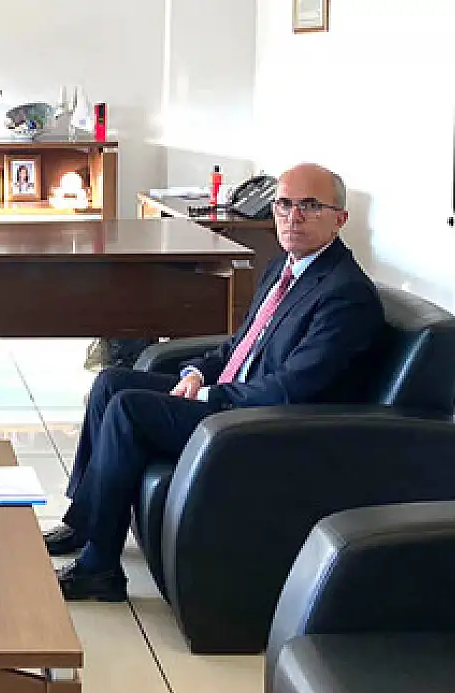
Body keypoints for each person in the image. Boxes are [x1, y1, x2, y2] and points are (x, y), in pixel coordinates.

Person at [44, 163, 384, 602]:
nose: (293, 216)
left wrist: (210, 395)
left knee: (130, 408)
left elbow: (294, 387)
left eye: (310, 206)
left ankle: (99, 567)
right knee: (110, 382)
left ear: (340, 218)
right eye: (284, 204)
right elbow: (239, 346)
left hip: (260, 425)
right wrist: (197, 372)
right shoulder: (284, 267)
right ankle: (84, 522)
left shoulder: (345, 294)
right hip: (232, 398)